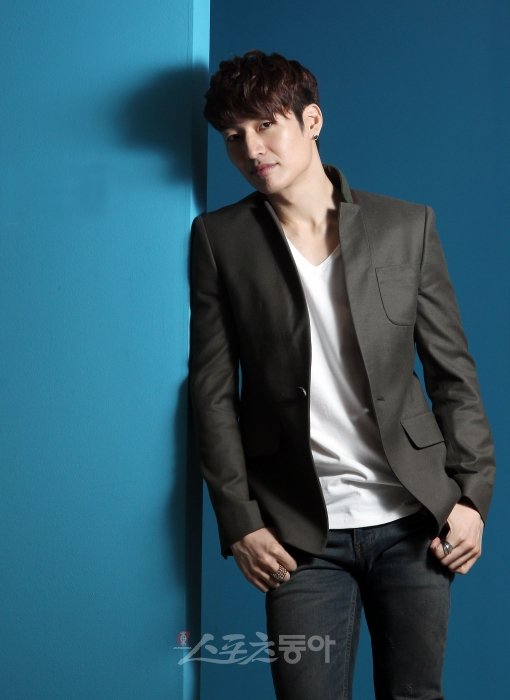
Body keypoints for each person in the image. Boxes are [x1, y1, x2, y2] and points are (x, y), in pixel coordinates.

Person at [189, 50, 495, 700]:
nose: (250, 148)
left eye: (266, 125)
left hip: (414, 520)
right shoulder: (221, 240)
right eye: (233, 136)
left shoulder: (405, 226)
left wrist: (471, 497)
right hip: (299, 531)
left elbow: (452, 375)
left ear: (312, 121)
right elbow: (212, 393)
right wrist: (240, 521)